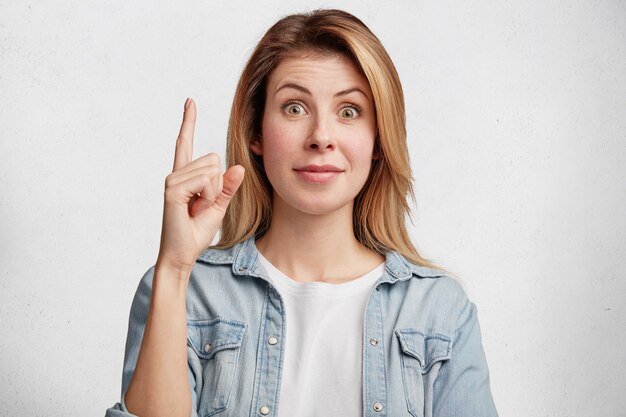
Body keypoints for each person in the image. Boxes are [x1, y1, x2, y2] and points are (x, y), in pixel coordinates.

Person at [106, 9, 498, 417]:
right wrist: (173, 269)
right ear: (255, 131)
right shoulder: (183, 291)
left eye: (349, 111)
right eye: (294, 108)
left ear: (379, 140)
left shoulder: (440, 310)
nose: (321, 137)